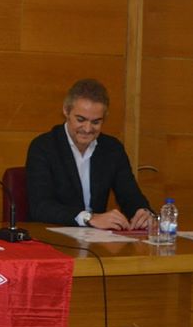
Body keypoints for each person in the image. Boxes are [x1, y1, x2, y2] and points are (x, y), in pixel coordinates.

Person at [26, 78, 152, 230]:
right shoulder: (44, 147)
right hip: (54, 237)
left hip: (98, 241)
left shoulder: (112, 148)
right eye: (81, 120)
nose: (87, 129)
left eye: (96, 122)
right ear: (66, 111)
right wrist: (88, 218)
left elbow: (129, 194)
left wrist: (142, 212)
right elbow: (41, 207)